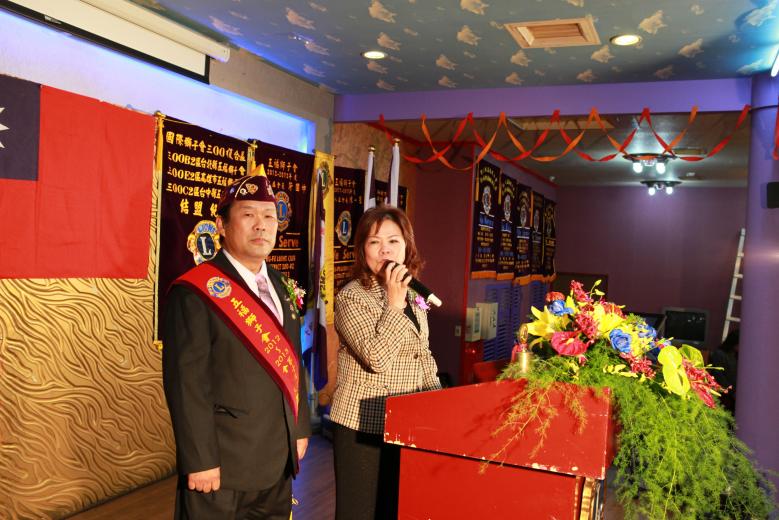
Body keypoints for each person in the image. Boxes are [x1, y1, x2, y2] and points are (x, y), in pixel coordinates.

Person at [163, 174, 311, 519]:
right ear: (222, 225)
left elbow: (293, 363)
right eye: (248, 214)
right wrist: (200, 460)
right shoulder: (195, 290)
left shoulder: (282, 285)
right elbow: (186, 383)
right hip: (221, 467)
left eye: (269, 216)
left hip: (277, 460)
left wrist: (300, 428)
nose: (261, 225)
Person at [331, 205, 442, 520]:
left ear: (406, 247)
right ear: (362, 249)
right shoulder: (351, 297)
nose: (385, 250)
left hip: (406, 421)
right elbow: (377, 358)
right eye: (374, 242)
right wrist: (394, 303)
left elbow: (422, 353)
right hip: (362, 424)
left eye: (393, 241)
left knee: (395, 509)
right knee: (359, 513)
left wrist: (440, 402)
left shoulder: (411, 292)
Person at [710, 328, 739, 413]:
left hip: (734, 393)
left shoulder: (736, 355)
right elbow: (718, 376)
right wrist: (731, 392)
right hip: (724, 394)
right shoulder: (719, 354)